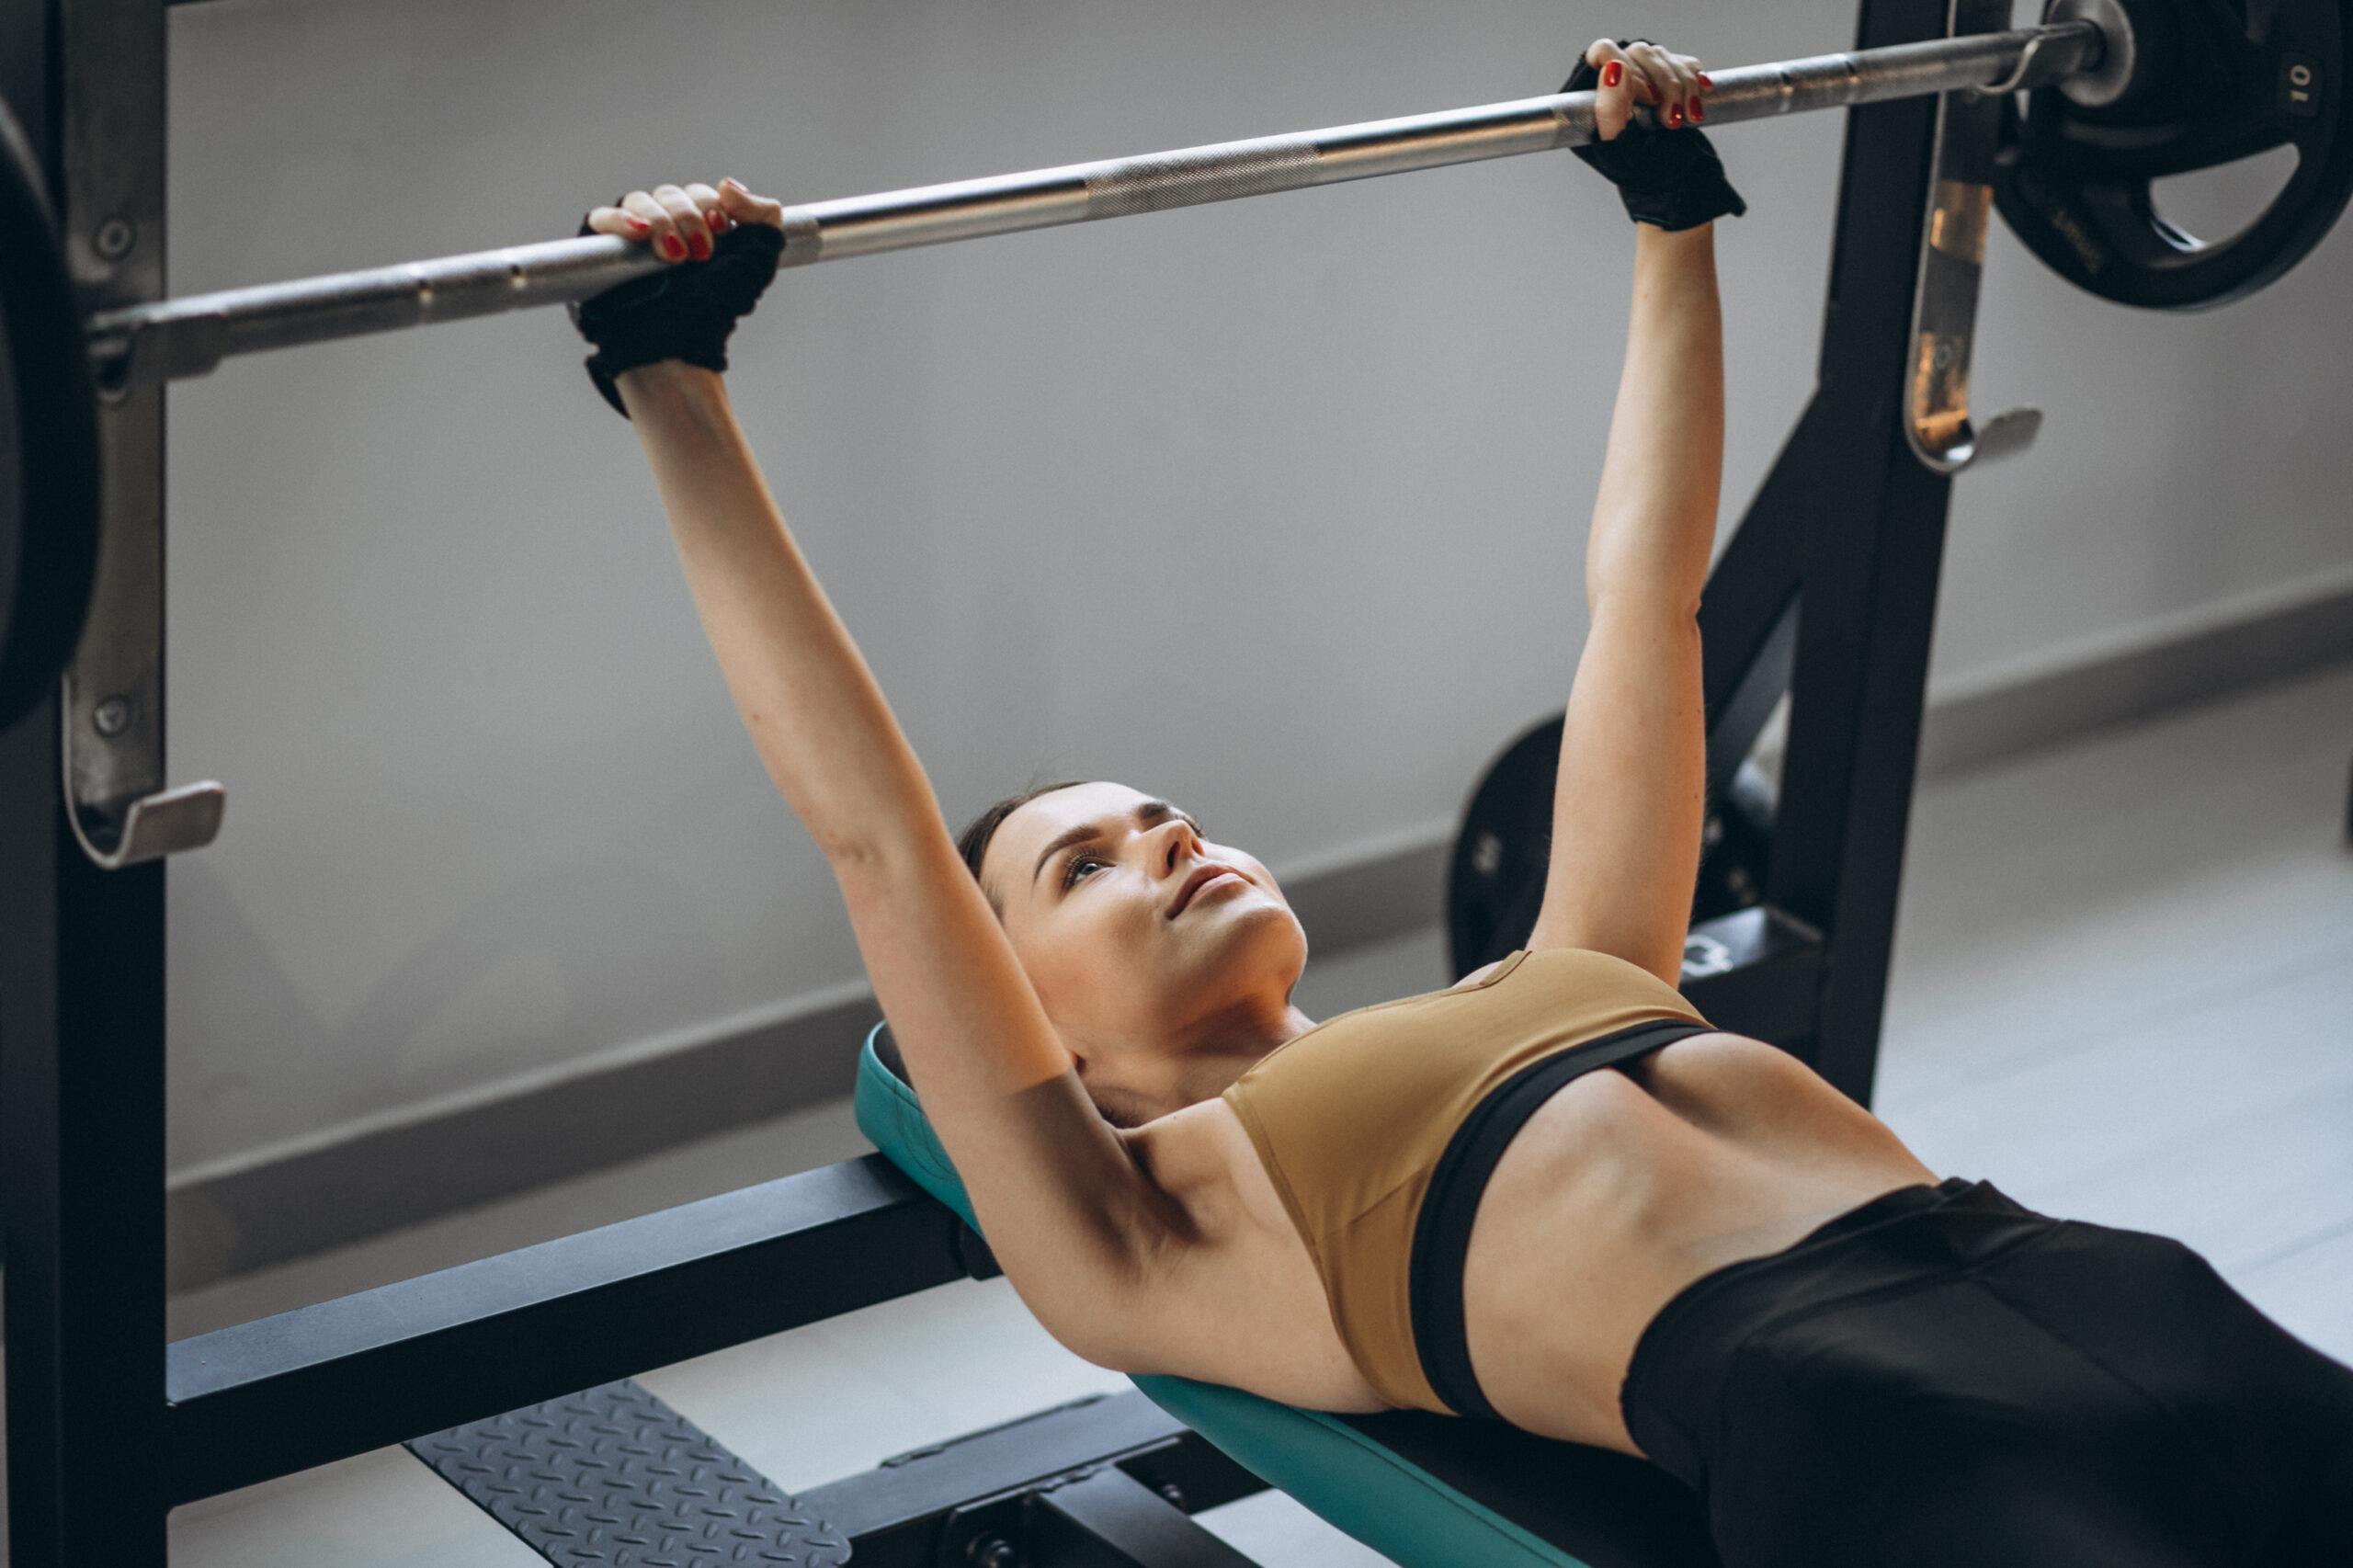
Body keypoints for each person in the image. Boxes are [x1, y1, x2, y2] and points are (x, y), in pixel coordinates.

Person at [569, 38, 2351, 1567]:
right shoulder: (1150, 1226)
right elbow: (878, 837)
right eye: (1082, 868)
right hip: (1855, 1414)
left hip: (2094, 1280)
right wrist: (674, 383)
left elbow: (1639, 607)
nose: (1163, 840)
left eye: (1158, 811)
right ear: (1039, 1035)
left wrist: (1669, 222)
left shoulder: (1574, 962)